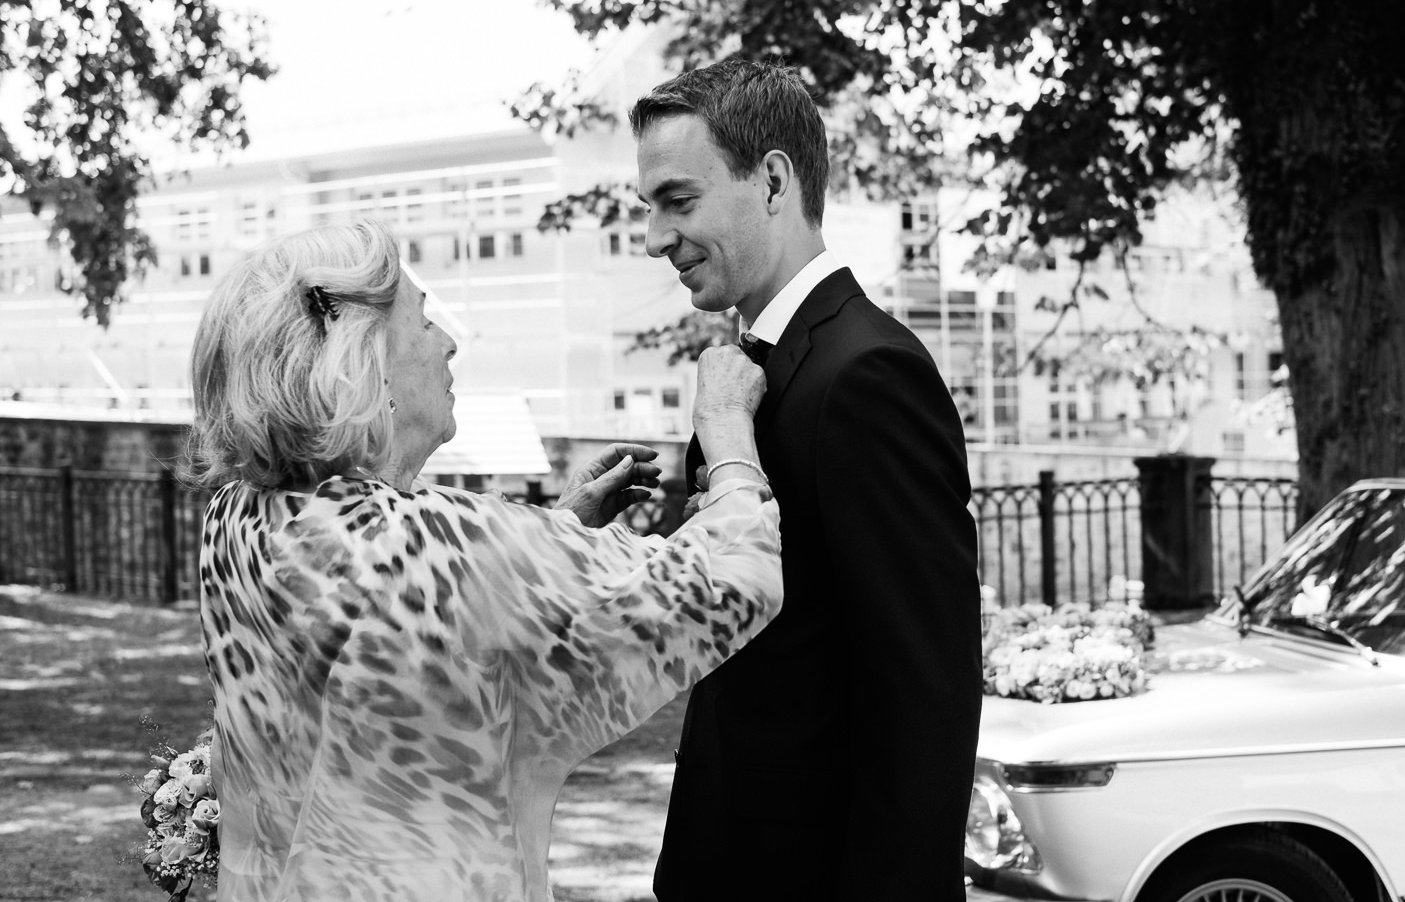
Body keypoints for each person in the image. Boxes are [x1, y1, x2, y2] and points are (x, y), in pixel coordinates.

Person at [186, 219, 782, 902]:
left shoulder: (235, 518)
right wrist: (729, 428)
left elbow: (402, 616)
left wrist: (557, 530)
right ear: (362, 360)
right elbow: (731, 579)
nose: (449, 342)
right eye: (421, 318)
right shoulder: (434, 543)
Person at [634, 60, 982, 900]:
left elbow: (924, 693)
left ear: (775, 181)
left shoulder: (869, 373)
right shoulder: (751, 369)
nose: (654, 237)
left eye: (678, 202)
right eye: (650, 208)